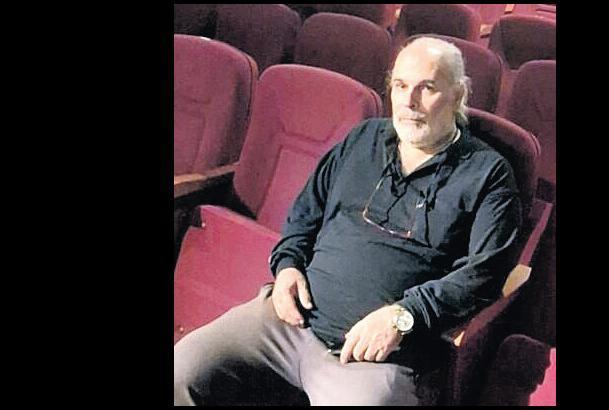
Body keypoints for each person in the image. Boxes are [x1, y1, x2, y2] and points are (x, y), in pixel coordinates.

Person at [174, 36, 522, 406]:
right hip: (286, 322)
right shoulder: (362, 139)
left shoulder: (488, 173)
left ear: (457, 95)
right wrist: (287, 266)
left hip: (375, 356)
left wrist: (405, 315)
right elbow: (305, 214)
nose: (409, 101)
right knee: (181, 369)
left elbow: (485, 273)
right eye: (401, 86)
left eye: (427, 88)